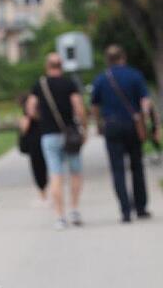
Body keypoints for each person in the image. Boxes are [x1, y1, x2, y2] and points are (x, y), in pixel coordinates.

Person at [91, 45, 154, 223]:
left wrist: (98, 124)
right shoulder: (135, 75)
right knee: (137, 167)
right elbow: (145, 101)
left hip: (112, 125)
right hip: (133, 125)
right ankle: (140, 207)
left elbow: (95, 105)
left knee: (117, 169)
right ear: (123, 57)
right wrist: (148, 121)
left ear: (107, 59)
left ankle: (125, 211)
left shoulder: (101, 79)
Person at [27, 53, 87, 230]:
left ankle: (60, 216)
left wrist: (42, 118)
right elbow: (79, 108)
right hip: (70, 134)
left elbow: (30, 109)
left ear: (47, 66)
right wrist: (83, 127)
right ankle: (74, 210)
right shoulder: (69, 84)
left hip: (49, 135)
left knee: (55, 175)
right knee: (75, 172)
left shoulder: (40, 85)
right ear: (61, 66)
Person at [18, 94, 48, 203]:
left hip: (35, 144)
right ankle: (44, 193)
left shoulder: (29, 116)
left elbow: (24, 129)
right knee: (43, 168)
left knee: (38, 169)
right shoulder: (42, 115)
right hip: (38, 143)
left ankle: (43, 194)